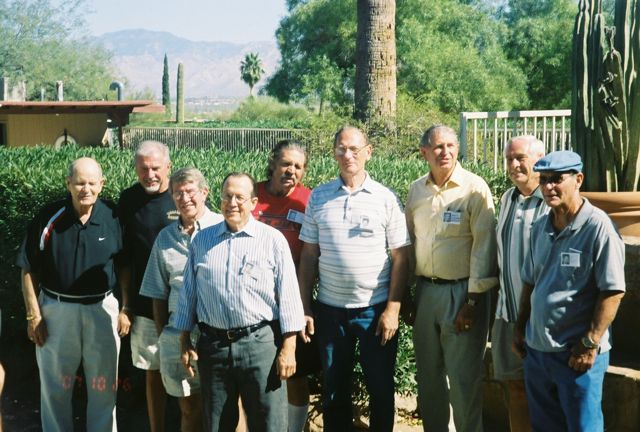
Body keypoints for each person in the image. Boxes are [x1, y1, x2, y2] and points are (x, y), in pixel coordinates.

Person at [298, 126, 410, 431]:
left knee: (381, 389)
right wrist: (305, 306)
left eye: (355, 149)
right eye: (341, 149)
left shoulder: (386, 198)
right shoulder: (319, 197)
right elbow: (309, 255)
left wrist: (393, 309)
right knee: (334, 390)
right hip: (330, 311)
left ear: (368, 152)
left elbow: (402, 256)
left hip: (374, 311)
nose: (348, 155)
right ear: (334, 152)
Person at [174, 172, 305, 432]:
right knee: (216, 424)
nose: (232, 203)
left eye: (240, 197)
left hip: (259, 346)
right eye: (227, 196)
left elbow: (289, 296)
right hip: (214, 348)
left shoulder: (273, 240)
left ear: (254, 202)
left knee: (269, 424)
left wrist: (289, 348)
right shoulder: (202, 240)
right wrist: (184, 339)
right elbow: (189, 292)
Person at [513, 150, 626, 432]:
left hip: (576, 356)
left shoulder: (599, 227)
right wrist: (520, 327)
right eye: (544, 180)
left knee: (582, 427)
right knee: (545, 427)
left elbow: (612, 291)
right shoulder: (541, 226)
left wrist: (590, 343)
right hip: (538, 353)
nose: (549, 186)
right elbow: (530, 281)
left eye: (557, 179)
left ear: (578, 179)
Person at [16, 157, 127, 432]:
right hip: (56, 311)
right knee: (56, 386)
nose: (85, 188)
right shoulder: (49, 217)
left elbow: (126, 266)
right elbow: (28, 268)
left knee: (103, 386)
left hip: (102, 310)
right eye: (79, 182)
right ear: (68, 183)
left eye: (91, 182)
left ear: (102, 184)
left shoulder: (113, 217)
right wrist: (33, 315)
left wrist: (127, 308)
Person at [405, 125, 497, 432]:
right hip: (425, 293)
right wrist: (407, 294)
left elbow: (484, 248)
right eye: (437, 147)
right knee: (428, 378)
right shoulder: (416, 190)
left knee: (463, 380)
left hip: (463, 295)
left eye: (450, 146)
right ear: (424, 153)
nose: (445, 152)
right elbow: (409, 242)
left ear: (458, 149)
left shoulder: (474, 188)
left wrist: (472, 300)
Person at [140, 168, 223, 432]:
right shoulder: (166, 238)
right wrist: (164, 331)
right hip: (177, 334)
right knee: (189, 407)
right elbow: (157, 292)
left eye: (190, 191)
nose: (184, 198)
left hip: (218, 334)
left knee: (226, 405)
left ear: (204, 192)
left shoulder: (224, 227)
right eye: (178, 193)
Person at [251, 140, 320, 432]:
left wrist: (304, 305)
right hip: (252, 299)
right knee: (253, 373)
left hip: (293, 298)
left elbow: (312, 254)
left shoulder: (310, 200)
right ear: (273, 164)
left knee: (296, 373)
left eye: (298, 166)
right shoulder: (252, 193)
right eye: (286, 164)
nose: (291, 171)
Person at [118, 140, 177, 432]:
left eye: (155, 168)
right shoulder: (128, 200)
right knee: (152, 372)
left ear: (168, 166)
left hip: (182, 306)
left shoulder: (182, 196)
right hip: (142, 305)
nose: (150, 174)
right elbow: (125, 258)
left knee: (187, 374)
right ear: (136, 169)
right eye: (144, 169)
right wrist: (126, 305)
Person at [492, 135, 548, 432]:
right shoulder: (506, 199)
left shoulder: (553, 203)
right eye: (509, 159)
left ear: (539, 160)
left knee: (546, 394)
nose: (514, 165)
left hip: (541, 320)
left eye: (520, 158)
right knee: (515, 390)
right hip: (507, 314)